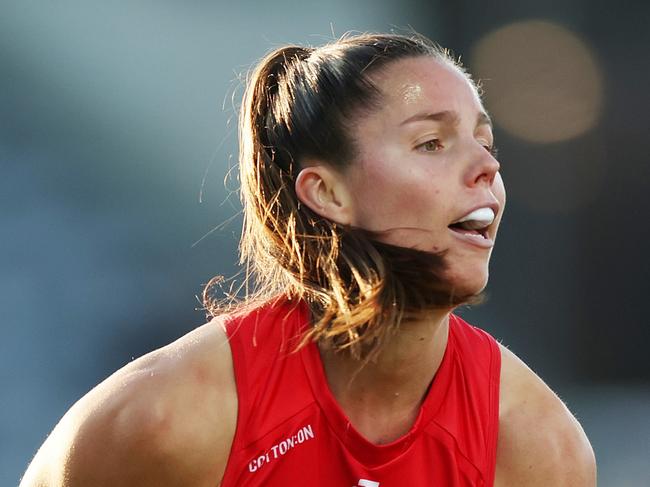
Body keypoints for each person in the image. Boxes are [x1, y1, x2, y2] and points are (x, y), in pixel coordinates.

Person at [20, 33, 596, 486]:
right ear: (327, 193)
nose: (488, 170)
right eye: (431, 144)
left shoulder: (533, 443)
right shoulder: (164, 421)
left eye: (486, 144)